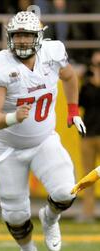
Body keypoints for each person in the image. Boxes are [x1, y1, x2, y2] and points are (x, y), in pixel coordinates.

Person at [0, 11, 86, 251]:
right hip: (7, 149)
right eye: (18, 36)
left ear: (39, 37)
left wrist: (73, 110)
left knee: (65, 191)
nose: (23, 41)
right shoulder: (0, 66)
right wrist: (12, 117)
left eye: (28, 35)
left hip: (44, 141)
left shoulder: (53, 54)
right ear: (10, 38)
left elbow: (70, 77)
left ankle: (50, 218)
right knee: (15, 215)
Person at [72, 51, 100, 222]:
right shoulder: (87, 84)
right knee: (88, 176)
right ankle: (88, 212)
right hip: (89, 134)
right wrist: (83, 82)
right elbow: (79, 102)